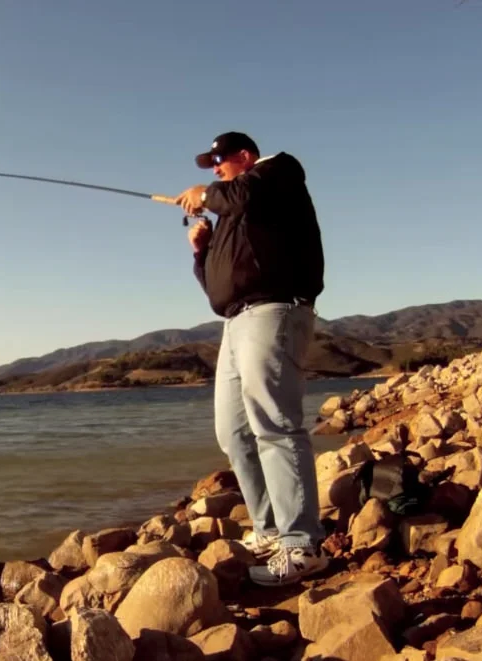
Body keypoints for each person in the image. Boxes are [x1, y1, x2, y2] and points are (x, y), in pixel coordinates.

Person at [174, 131, 328, 586]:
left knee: (275, 425)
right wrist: (202, 252)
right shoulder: (237, 209)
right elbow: (218, 288)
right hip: (235, 321)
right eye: (211, 167)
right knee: (234, 432)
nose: (216, 169)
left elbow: (239, 193)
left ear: (245, 156)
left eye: (219, 161)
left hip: (273, 311)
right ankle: (270, 530)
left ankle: (303, 545)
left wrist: (206, 194)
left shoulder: (278, 171)